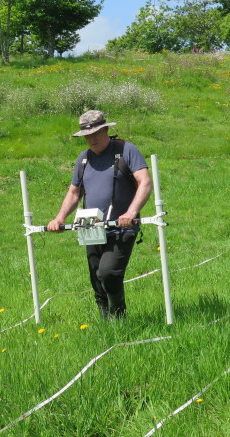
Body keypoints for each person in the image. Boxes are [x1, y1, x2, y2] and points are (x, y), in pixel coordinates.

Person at [47, 110, 152, 319]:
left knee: (109, 273)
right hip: (92, 228)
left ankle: (118, 317)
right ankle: (106, 326)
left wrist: (131, 212)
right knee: (96, 279)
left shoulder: (126, 150)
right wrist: (60, 218)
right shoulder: (83, 159)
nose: (92, 139)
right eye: (87, 135)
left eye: (96, 133)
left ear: (106, 129)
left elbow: (145, 182)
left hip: (122, 228)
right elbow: (74, 192)